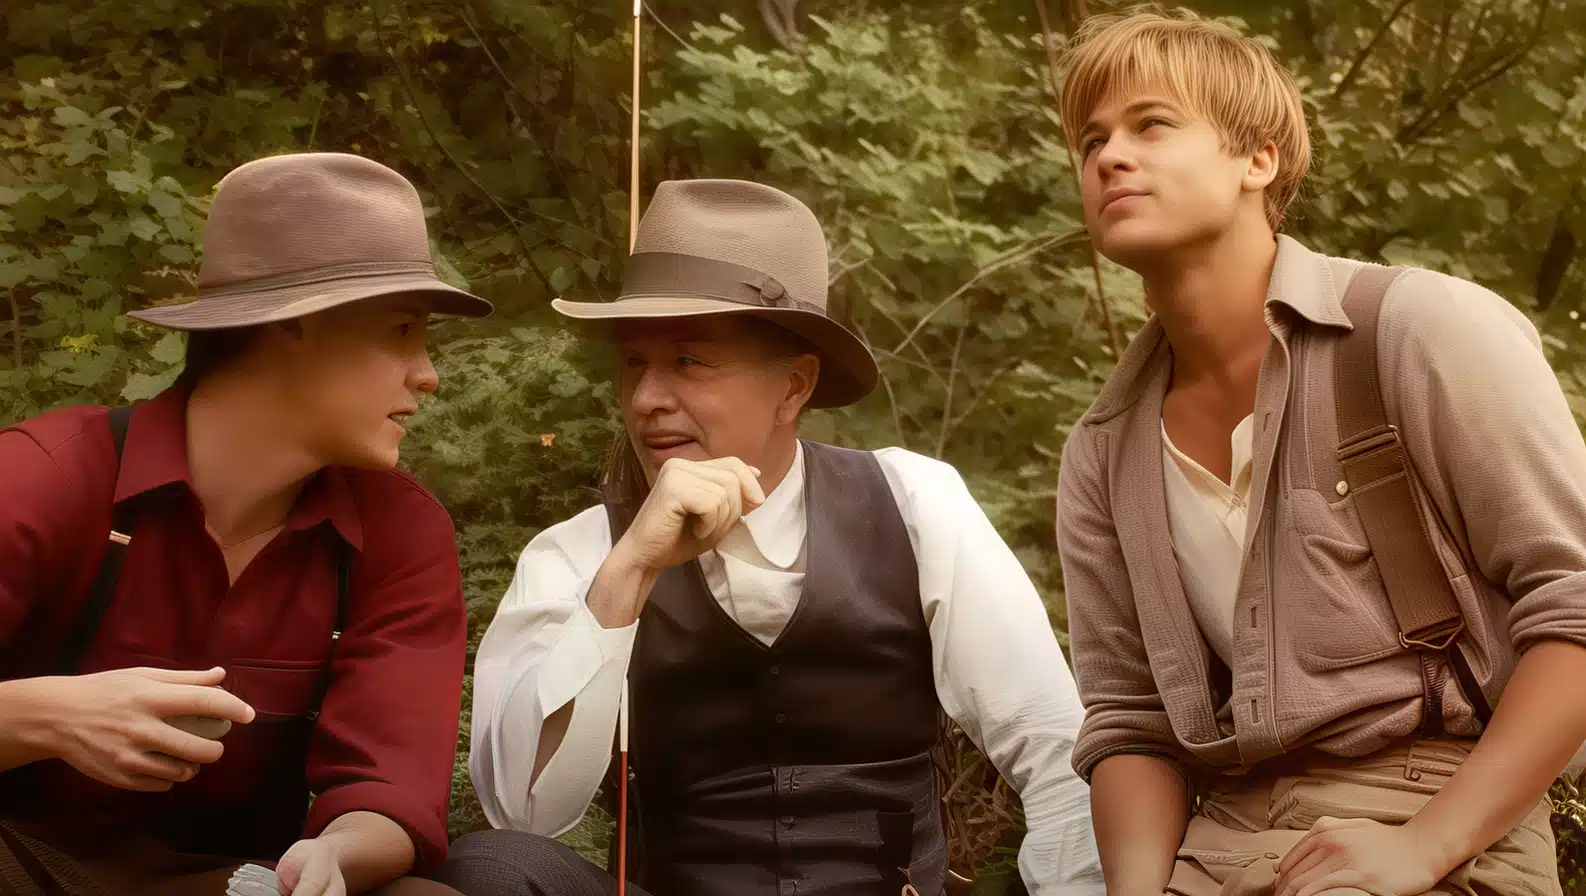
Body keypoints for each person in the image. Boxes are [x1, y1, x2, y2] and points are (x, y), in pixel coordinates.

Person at [433, 178, 1105, 895]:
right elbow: (524, 812)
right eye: (633, 363)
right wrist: (627, 573)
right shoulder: (579, 552)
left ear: (794, 387)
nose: (646, 398)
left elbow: (1055, 749)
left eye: (688, 361)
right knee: (492, 868)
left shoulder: (915, 503)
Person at [1052, 8, 1586, 896]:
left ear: (1257, 159)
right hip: (1219, 845)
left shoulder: (1415, 330)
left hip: (1434, 822)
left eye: (1151, 125)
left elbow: (1575, 605)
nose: (1110, 157)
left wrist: (1426, 846)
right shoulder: (1103, 449)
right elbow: (1130, 722)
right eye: (1091, 140)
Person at [0, 152, 491, 896]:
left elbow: (390, 787)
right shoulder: (46, 478)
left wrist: (335, 855)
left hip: (236, 883)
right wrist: (47, 716)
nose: (427, 373)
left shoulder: (398, 531)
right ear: (294, 323)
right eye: (401, 330)